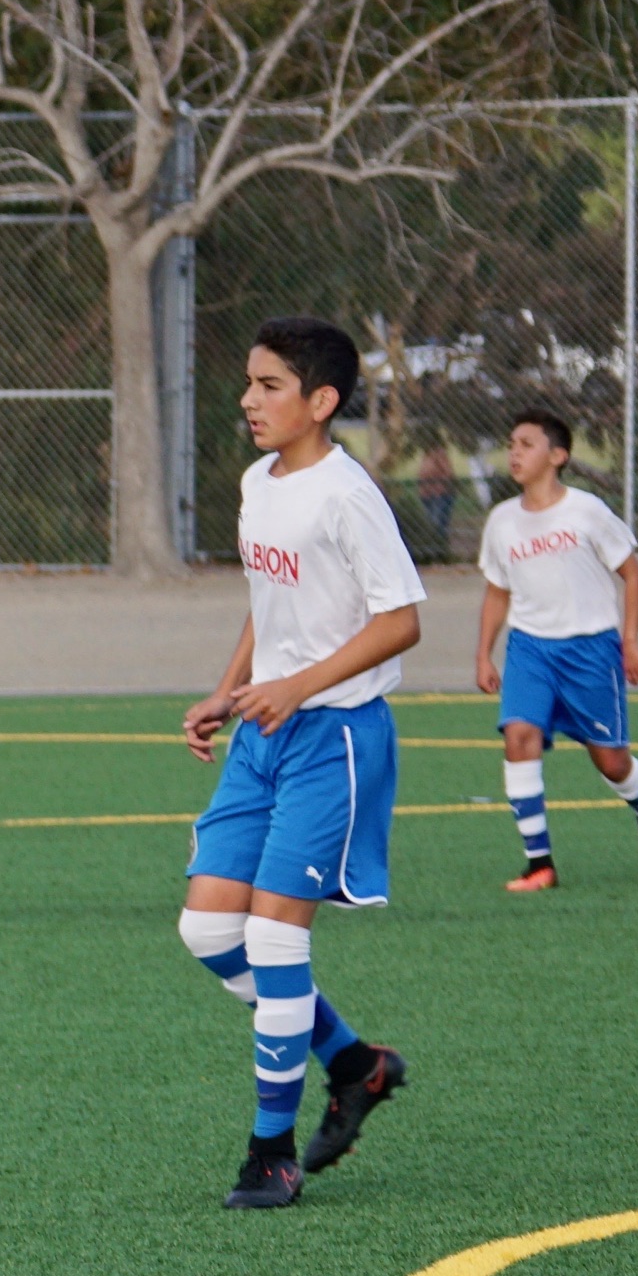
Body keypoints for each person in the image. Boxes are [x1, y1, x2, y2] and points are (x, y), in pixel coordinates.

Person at [177, 318, 421, 1211]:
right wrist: (230, 686)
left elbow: (400, 621)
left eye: (270, 384)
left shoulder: (346, 496)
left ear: (321, 402)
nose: (248, 398)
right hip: (264, 733)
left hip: (335, 737)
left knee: (278, 941)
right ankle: (357, 1063)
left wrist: (300, 686)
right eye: (249, 381)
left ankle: (269, 1150)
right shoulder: (257, 481)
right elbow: (268, 602)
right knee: (209, 933)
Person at [472, 408, 638, 889]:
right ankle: (539, 864)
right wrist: (484, 653)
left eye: (526, 444)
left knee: (612, 763)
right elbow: (498, 591)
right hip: (530, 650)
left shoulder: (587, 511)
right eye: (511, 443)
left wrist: (630, 642)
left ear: (557, 456)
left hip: (591, 652)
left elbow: (633, 575)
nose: (514, 452)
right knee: (519, 736)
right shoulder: (501, 521)